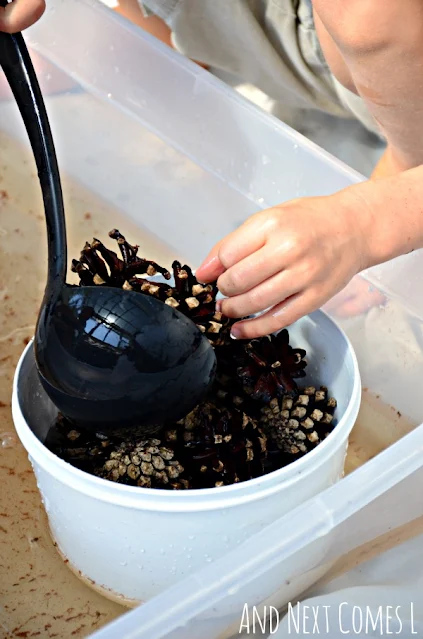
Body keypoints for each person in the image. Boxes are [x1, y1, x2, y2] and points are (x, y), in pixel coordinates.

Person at [2, 0, 423, 340]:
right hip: (303, 49)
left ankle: (405, 157)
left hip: (392, 76)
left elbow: (372, 22)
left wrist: (368, 221)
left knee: (368, 19)